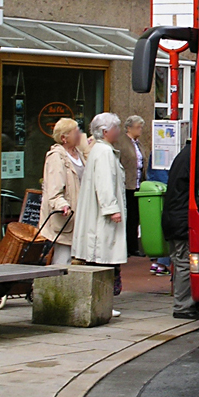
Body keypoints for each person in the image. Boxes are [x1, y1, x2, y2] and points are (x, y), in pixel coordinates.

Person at [72, 113, 127, 317]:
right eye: (116, 128)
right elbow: (104, 184)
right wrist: (111, 209)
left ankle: (101, 302)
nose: (119, 131)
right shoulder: (103, 152)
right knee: (103, 258)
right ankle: (102, 302)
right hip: (101, 218)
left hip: (98, 215)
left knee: (101, 258)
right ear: (105, 131)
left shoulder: (100, 150)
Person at [162, 138, 199, 320]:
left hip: (173, 218)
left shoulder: (183, 156)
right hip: (180, 220)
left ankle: (186, 303)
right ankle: (183, 306)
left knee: (180, 260)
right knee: (184, 262)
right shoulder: (193, 158)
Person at [39, 118, 85, 266]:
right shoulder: (56, 157)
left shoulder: (80, 154)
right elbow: (53, 190)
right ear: (64, 138)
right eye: (75, 131)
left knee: (75, 258)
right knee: (63, 257)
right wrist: (61, 205)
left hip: (80, 214)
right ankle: (55, 286)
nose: (79, 134)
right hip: (66, 216)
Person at [116, 115, 148, 258]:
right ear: (129, 128)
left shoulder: (138, 143)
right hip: (126, 184)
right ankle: (126, 247)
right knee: (127, 216)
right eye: (138, 127)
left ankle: (133, 246)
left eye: (141, 127)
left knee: (135, 217)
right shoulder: (121, 143)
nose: (140, 130)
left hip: (138, 184)